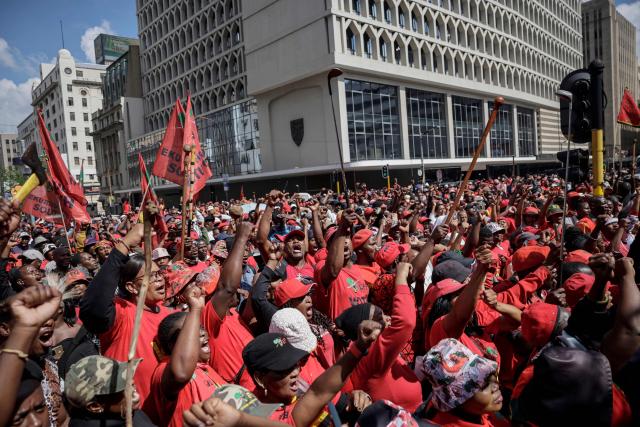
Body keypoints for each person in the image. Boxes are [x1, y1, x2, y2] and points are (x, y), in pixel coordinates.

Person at [80, 223, 172, 403]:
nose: (160, 278)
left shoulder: (170, 314)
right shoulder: (123, 313)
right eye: (151, 276)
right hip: (135, 414)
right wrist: (124, 244)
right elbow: (93, 307)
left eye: (159, 273)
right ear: (131, 287)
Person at [144, 287, 225, 426]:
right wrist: (195, 310)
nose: (200, 334)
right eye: (189, 333)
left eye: (199, 327)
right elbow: (181, 374)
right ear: (172, 345)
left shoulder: (205, 369)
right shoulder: (163, 371)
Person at [416, 338, 505, 427]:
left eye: (492, 375)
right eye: (484, 385)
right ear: (458, 400)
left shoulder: (476, 411)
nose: (496, 385)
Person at [65, 355, 155, 426]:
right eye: (121, 389)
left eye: (129, 383)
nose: (135, 394)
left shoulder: (122, 413)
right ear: (95, 407)